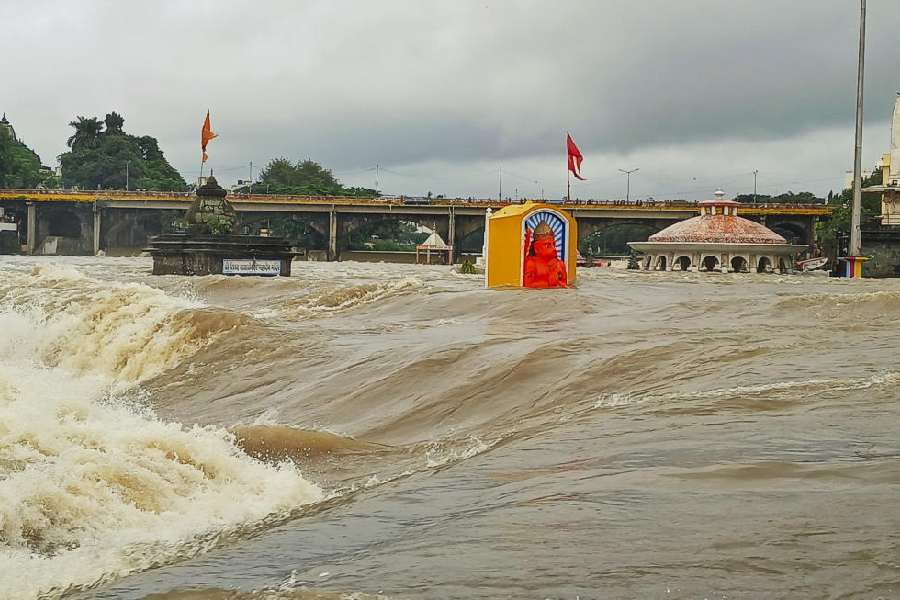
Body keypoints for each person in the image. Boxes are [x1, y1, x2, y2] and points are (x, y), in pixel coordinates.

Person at [523, 221, 568, 288]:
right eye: (547, 245)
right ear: (536, 247)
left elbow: (564, 284)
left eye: (554, 245)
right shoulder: (531, 263)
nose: (553, 249)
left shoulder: (560, 264)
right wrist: (551, 284)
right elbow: (527, 285)